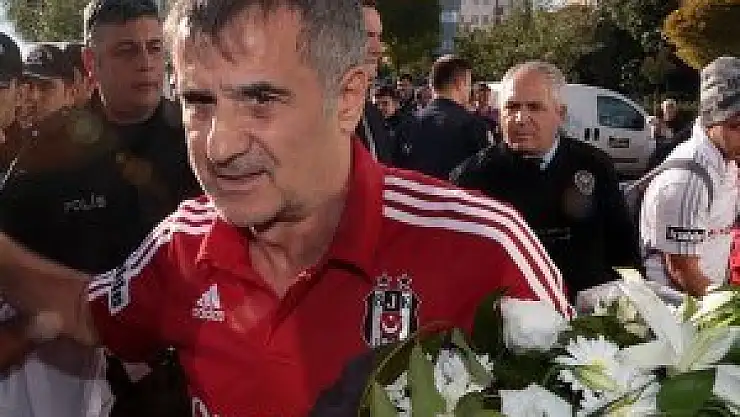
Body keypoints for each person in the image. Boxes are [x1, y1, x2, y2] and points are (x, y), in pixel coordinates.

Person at [0, 1, 570, 416]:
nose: (219, 145)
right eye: (198, 101)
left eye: (260, 99)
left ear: (348, 97)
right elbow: (83, 310)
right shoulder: (183, 244)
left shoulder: (485, 248)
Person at [0, 0, 199, 416]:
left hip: (189, 374)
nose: (146, 63)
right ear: (92, 63)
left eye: (154, 47)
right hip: (81, 380)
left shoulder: (200, 139)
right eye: (127, 50)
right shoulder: (50, 151)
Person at [451, 61, 640, 302]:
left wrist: (632, 307)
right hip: (506, 317)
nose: (521, 118)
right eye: (512, 107)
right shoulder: (472, 178)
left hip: (587, 316)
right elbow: (459, 266)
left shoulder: (595, 166)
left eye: (534, 107)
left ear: (560, 114)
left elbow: (624, 252)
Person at [641, 57, 740, 297]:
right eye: (736, 125)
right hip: (679, 309)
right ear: (712, 120)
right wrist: (728, 308)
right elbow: (683, 272)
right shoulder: (688, 178)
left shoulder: (726, 161)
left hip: (707, 300)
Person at [398, 54, 490, 180]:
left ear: (431, 84)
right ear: (460, 83)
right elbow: (485, 174)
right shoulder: (473, 125)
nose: (470, 90)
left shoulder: (407, 125)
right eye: (469, 84)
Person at [354, 0, 395, 164]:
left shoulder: (373, 115)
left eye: (379, 37)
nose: (378, 49)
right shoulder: (314, 114)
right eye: (369, 36)